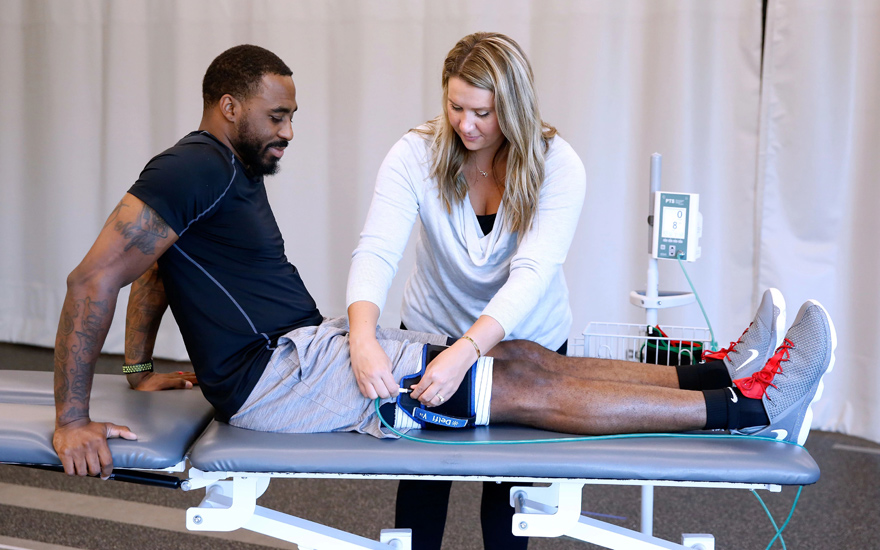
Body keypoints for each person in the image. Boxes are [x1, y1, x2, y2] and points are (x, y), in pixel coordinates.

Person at [51, 49, 836, 550]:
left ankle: (724, 373)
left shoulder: (219, 170)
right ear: (230, 106)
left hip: (303, 354)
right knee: (520, 386)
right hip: (282, 375)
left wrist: (140, 366)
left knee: (522, 359)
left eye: (290, 115)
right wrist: (72, 419)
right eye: (278, 115)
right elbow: (94, 279)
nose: (289, 130)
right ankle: (751, 410)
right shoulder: (195, 166)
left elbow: (157, 263)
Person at [345, 32, 584, 550]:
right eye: (456, 107)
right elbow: (377, 250)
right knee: (423, 483)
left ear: (514, 109)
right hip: (432, 332)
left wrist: (469, 350)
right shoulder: (415, 153)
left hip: (526, 340)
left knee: (509, 497)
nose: (466, 124)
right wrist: (362, 337)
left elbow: (532, 273)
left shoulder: (558, 165)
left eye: (483, 113)